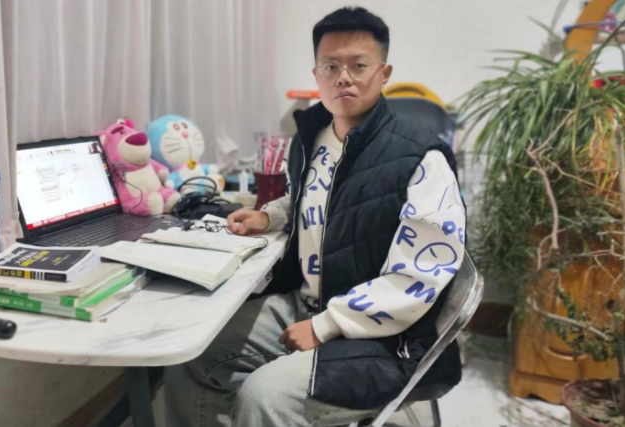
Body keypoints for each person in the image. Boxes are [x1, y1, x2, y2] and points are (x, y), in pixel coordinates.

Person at [166, 7, 466, 427]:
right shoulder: (313, 136)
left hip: (388, 334)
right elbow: (315, 198)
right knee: (193, 354)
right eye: (330, 66)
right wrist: (269, 216)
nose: (343, 77)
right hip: (308, 302)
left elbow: (418, 278)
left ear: (383, 74)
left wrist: (326, 325)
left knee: (265, 395)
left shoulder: (420, 157)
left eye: (358, 65)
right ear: (317, 74)